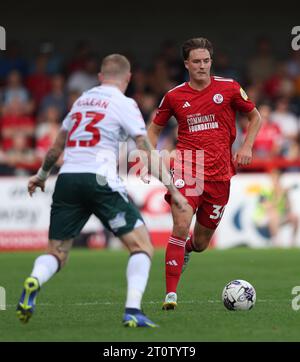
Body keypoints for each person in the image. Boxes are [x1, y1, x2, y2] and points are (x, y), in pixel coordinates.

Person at [16, 54, 188, 327]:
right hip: (100, 180)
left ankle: (34, 280)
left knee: (56, 252)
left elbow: (57, 146)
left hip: (68, 179)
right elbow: (145, 148)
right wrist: (173, 189)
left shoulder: (81, 102)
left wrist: (40, 175)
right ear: (128, 79)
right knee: (142, 246)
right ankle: (133, 310)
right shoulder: (124, 103)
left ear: (100, 77)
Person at [147, 37, 262, 309]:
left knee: (200, 243)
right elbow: (153, 129)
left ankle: (186, 250)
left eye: (206, 61)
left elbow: (255, 116)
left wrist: (246, 146)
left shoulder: (230, 88)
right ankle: (170, 295)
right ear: (186, 64)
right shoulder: (174, 96)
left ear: (211, 61)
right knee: (180, 223)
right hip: (188, 166)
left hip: (220, 174)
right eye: (196, 61)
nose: (202, 66)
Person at [253, 168, 299, 246]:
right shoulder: (265, 190)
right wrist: (280, 195)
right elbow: (268, 207)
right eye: (274, 178)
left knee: (295, 217)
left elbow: (288, 208)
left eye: (278, 179)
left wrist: (286, 197)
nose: (276, 181)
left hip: (278, 218)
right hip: (262, 219)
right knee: (274, 215)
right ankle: (277, 242)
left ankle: (292, 242)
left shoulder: (282, 190)